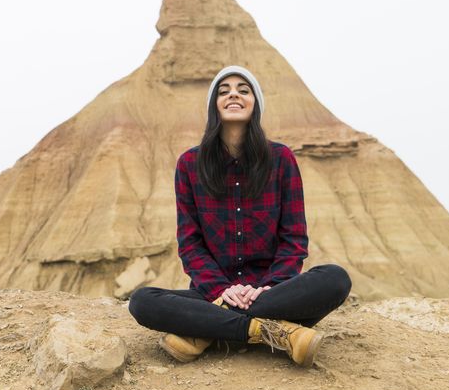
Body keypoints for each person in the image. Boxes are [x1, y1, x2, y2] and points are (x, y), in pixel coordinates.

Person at [128, 65, 352, 367]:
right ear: (214, 106)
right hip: (215, 293)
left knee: (335, 279)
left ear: (254, 104)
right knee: (142, 301)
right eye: (224, 91)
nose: (233, 95)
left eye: (243, 90)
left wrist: (268, 287)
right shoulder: (190, 165)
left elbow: (293, 239)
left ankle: (207, 330)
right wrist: (223, 291)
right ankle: (271, 330)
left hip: (274, 293)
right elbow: (190, 245)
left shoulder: (281, 159)